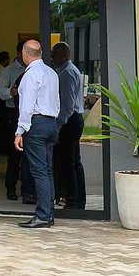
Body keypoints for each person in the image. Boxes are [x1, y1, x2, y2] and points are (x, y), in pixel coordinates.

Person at [12, 39, 60, 228]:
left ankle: (42, 215)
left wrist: (19, 131)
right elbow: (57, 101)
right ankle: (49, 214)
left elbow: (26, 106)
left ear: (25, 54)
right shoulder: (51, 73)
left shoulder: (30, 75)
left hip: (36, 123)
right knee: (47, 170)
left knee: (39, 170)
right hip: (51, 122)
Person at [51, 42, 87, 211]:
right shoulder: (70, 70)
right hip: (73, 119)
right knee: (74, 160)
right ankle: (77, 199)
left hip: (69, 121)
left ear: (63, 54)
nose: (52, 58)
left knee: (68, 162)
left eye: (54, 54)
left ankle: (73, 199)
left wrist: (58, 125)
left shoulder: (66, 73)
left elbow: (67, 104)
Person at [0, 44, 27, 198]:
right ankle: (11, 187)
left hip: (31, 114)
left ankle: (28, 189)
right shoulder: (9, 70)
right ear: (19, 53)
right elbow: (0, 91)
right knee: (15, 153)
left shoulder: (34, 70)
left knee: (29, 154)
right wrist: (11, 92)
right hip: (14, 112)